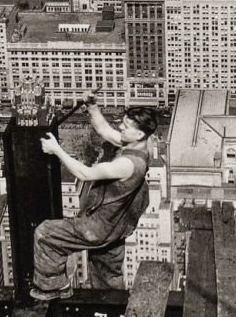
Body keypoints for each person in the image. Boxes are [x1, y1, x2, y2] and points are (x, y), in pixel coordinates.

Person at [30, 92, 157, 301]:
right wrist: (93, 106)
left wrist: (56, 150)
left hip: (98, 227)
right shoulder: (139, 147)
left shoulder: (127, 164)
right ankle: (111, 308)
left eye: (127, 126)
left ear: (140, 134)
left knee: (45, 235)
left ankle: (54, 287)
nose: (121, 127)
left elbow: (85, 174)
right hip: (116, 228)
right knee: (106, 274)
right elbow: (104, 130)